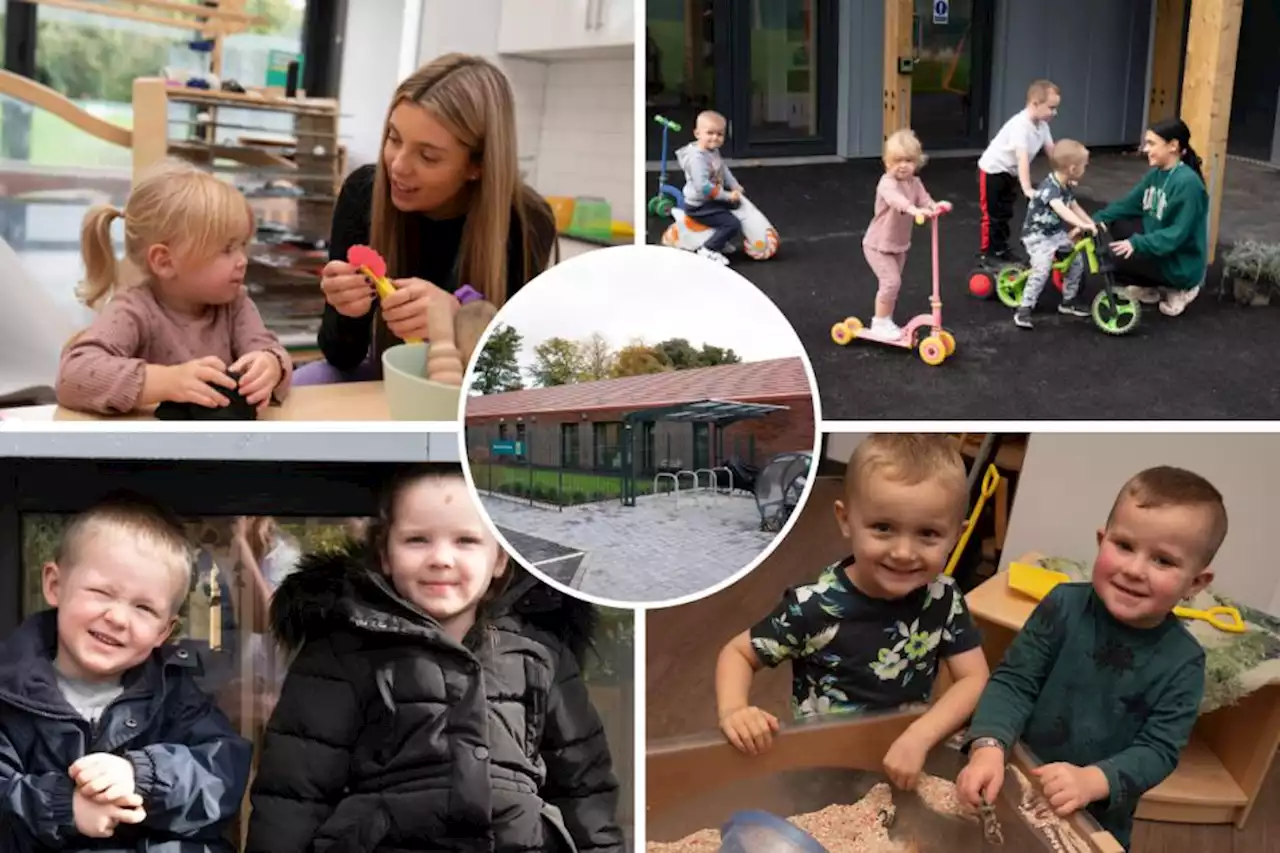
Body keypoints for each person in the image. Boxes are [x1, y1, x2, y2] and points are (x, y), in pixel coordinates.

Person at [245, 465, 623, 853]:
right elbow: (294, 795)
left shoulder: (539, 654)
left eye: (466, 540)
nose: (441, 558)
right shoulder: (343, 652)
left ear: (499, 560)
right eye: (417, 540)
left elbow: (584, 788)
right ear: (385, 554)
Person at [957, 466, 1221, 851]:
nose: (1134, 570)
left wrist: (1092, 781)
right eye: (1124, 546)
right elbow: (1014, 682)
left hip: (1095, 814)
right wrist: (988, 748)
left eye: (1163, 561)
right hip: (1014, 777)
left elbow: (1158, 750)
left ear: (1195, 583)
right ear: (1102, 540)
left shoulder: (1184, 662)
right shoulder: (1062, 605)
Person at [714, 434, 990, 791]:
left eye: (928, 534)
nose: (904, 551)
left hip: (901, 757)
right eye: (883, 528)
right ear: (846, 520)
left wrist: (921, 736)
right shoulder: (813, 605)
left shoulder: (944, 598)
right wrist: (734, 710)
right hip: (818, 768)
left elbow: (973, 678)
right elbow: (737, 653)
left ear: (956, 536)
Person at [0, 494, 252, 852]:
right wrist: (63, 808)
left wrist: (143, 778)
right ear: (55, 585)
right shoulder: (8, 692)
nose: (117, 618)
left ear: (164, 631)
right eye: (102, 592)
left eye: (144, 608)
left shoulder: (175, 694)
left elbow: (222, 776)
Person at [298, 53, 558, 385]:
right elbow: (341, 355)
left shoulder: (526, 221)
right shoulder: (363, 193)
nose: (398, 166)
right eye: (394, 139)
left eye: (428, 156)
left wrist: (457, 320)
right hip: (383, 378)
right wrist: (346, 312)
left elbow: (516, 375)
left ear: (477, 166)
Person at [56, 160, 293, 415]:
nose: (242, 261)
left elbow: (268, 349)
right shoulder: (133, 309)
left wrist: (271, 365)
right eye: (226, 249)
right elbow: (72, 375)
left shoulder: (235, 305)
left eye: (242, 245)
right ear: (165, 261)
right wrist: (167, 382)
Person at [1092, 118, 1209, 317]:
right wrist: (1091, 223)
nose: (1145, 149)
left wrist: (1137, 244)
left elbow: (1177, 234)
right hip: (1161, 250)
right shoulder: (1156, 174)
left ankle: (1182, 289)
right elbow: (1127, 205)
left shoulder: (1189, 184)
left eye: (1151, 143)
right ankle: (1150, 289)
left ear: (1173, 146)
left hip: (1181, 263)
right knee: (1115, 227)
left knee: (1114, 258)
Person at [861, 129, 944, 341]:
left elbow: (924, 200)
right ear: (887, 162)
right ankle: (879, 323)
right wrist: (913, 210)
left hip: (899, 244)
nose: (903, 165)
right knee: (891, 283)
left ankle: (886, 319)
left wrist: (935, 206)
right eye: (897, 160)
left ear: (917, 162)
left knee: (893, 285)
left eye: (908, 160)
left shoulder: (915, 183)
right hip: (877, 244)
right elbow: (896, 199)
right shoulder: (886, 183)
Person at [1013, 139, 1097, 329]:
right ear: (1073, 168)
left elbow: (1074, 206)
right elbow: (1062, 210)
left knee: (1076, 260)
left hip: (1055, 234)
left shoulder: (1066, 185)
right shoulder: (1050, 188)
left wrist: (1091, 223)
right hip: (1037, 236)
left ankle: (1068, 301)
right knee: (1042, 269)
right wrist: (1081, 225)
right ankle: (1024, 308)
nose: (1086, 169)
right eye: (1084, 166)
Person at [977, 80, 1060, 262]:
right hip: (993, 171)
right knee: (992, 215)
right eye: (1051, 108)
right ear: (1035, 104)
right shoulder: (1020, 125)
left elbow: (1052, 152)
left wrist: (1063, 176)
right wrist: (1027, 188)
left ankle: (1001, 248)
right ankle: (988, 253)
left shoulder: (1043, 127)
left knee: (1005, 213)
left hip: (1011, 173)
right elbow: (1022, 158)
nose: (1055, 113)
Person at [675, 110, 745, 266]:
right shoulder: (697, 158)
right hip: (699, 205)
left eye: (720, 134)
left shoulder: (712, 150)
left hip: (709, 199)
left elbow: (723, 168)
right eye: (710, 133)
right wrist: (727, 196)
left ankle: (720, 239)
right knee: (732, 224)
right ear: (697, 133)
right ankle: (708, 249)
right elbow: (703, 188)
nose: (715, 137)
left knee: (736, 206)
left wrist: (734, 185)